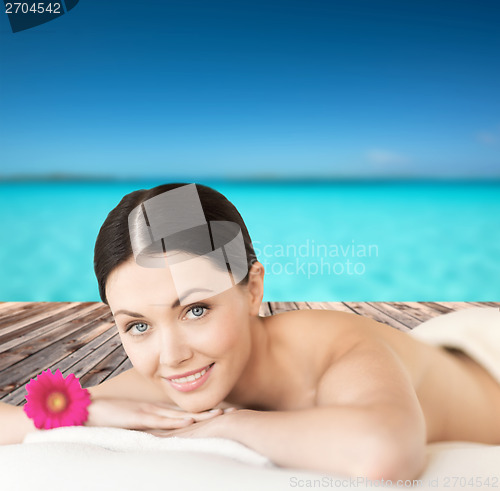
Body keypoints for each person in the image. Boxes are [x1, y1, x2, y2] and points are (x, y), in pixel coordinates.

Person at [2, 183, 500, 482]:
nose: (170, 354)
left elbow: (383, 454)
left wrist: (229, 425)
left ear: (252, 288)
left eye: (196, 310)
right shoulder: (164, 379)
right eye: (137, 325)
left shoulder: (336, 347)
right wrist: (89, 412)